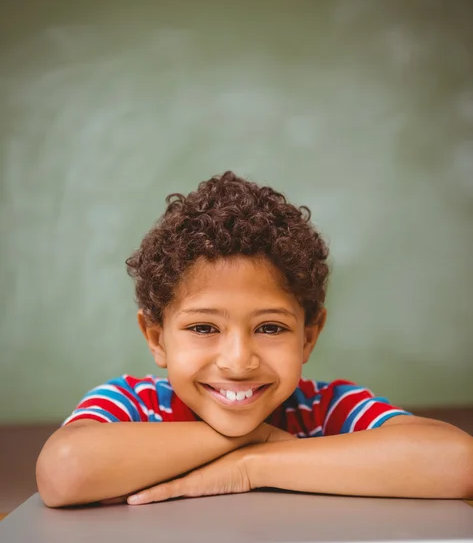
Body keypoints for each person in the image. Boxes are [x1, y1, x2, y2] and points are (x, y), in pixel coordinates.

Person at [36, 172, 473, 507]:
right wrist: (253, 437)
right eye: (204, 328)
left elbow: (458, 463)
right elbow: (64, 472)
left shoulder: (324, 411)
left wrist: (251, 466)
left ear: (308, 336)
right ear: (156, 337)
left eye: (270, 328)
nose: (239, 361)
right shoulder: (134, 405)